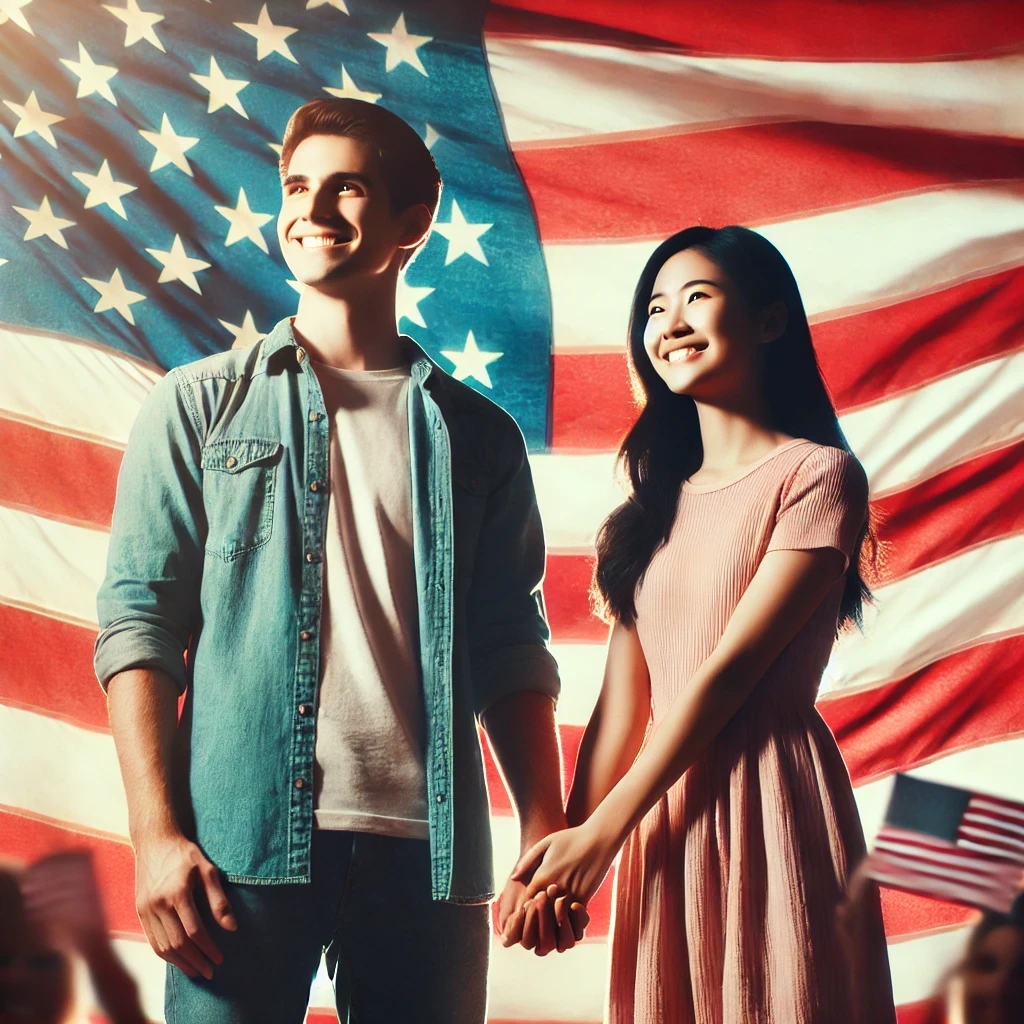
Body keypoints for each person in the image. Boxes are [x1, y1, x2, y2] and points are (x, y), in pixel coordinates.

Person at [94, 97, 583, 1023]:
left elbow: (510, 641)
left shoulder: (480, 437)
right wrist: (155, 836)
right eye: (297, 186)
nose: (312, 208)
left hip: (429, 859)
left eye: (346, 186)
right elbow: (140, 625)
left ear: (412, 223)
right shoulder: (197, 407)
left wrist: (544, 821)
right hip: (238, 851)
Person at [502, 226, 897, 1023]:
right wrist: (553, 865)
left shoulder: (819, 474)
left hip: (771, 801)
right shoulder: (646, 513)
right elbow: (621, 710)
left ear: (769, 321)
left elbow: (727, 676)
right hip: (663, 827)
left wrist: (603, 837)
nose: (670, 322)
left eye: (698, 297)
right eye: (654, 306)